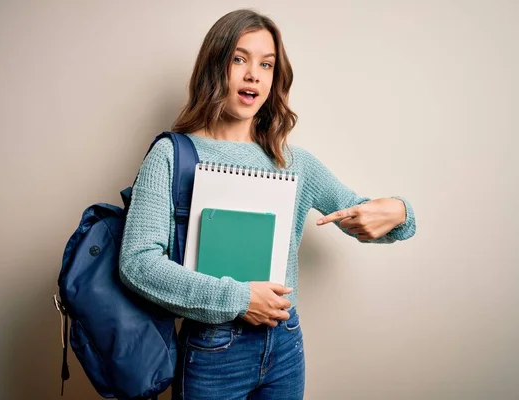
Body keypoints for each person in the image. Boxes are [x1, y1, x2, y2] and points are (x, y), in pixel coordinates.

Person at [118, 8, 416, 400]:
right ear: (214, 67)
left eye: (266, 64)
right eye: (239, 59)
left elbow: (357, 210)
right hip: (212, 350)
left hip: (285, 344)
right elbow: (137, 262)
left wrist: (398, 211)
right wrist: (239, 299)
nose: (253, 74)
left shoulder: (294, 163)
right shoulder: (171, 155)